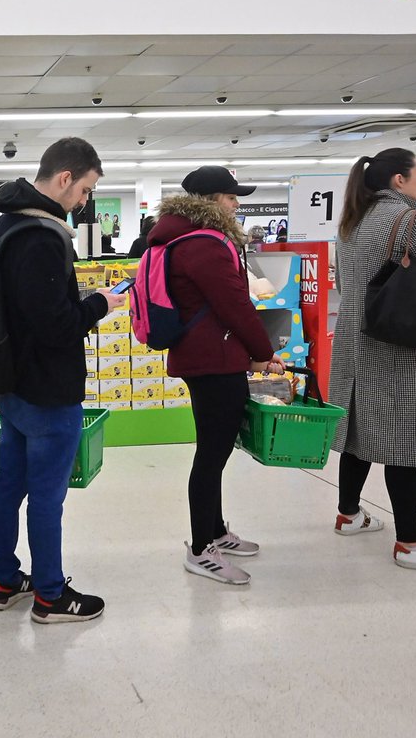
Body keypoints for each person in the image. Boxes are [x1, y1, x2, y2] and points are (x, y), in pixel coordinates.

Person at [0, 137, 126, 623]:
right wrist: (100, 304)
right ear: (65, 178)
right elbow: (55, 325)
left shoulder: (3, 225)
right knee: (47, 494)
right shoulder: (45, 237)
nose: (85, 202)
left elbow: (24, 309)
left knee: (9, 484)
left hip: (11, 381)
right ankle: (50, 595)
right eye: (85, 190)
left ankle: (4, 579)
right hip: (48, 388)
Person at [329, 149, 416, 574]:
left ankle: (348, 514)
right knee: (405, 440)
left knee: (360, 427)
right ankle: (410, 544)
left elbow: (344, 281)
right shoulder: (414, 221)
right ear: (398, 180)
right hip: (400, 345)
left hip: (355, 340)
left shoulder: (351, 223)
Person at [147, 166, 284, 585]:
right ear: (209, 200)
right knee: (211, 454)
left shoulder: (182, 235)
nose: (236, 203)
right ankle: (201, 548)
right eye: (230, 196)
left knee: (215, 451)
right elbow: (234, 305)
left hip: (207, 354)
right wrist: (263, 352)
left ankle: (216, 532)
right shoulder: (203, 243)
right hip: (213, 358)